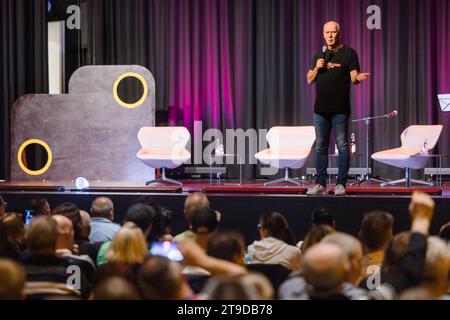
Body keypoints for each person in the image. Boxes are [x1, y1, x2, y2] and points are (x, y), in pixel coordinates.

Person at [306, 21, 370, 196]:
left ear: (339, 33)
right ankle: (320, 184)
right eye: (327, 32)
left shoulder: (349, 53)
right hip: (320, 110)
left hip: (340, 108)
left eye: (333, 32)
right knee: (320, 146)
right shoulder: (319, 54)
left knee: (342, 146)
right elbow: (309, 79)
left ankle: (341, 184)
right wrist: (317, 68)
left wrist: (359, 78)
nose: (330, 35)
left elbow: (354, 78)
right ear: (323, 33)